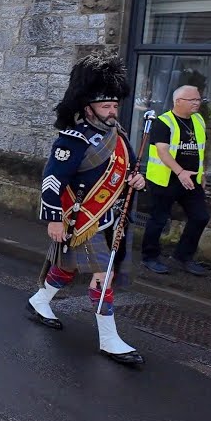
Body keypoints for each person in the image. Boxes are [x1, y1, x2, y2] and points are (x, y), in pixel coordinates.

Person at [24, 52, 148, 367]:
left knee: (67, 268)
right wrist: (53, 219)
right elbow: (52, 180)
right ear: (87, 107)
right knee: (102, 276)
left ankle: (39, 301)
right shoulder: (73, 140)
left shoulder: (118, 137)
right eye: (106, 106)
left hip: (111, 218)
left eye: (114, 105)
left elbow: (129, 169)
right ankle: (109, 340)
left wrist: (137, 179)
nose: (111, 111)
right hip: (81, 219)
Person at [141, 85, 211, 276]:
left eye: (199, 99)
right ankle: (149, 257)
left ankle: (183, 256)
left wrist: (201, 173)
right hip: (165, 180)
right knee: (158, 219)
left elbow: (200, 149)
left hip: (191, 180)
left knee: (200, 217)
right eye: (192, 100)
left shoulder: (198, 120)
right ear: (178, 101)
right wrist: (180, 172)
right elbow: (163, 151)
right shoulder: (163, 123)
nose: (197, 103)